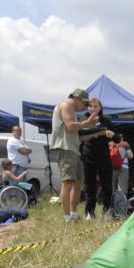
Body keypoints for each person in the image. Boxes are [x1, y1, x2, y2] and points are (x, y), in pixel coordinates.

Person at [50, 88, 99, 222]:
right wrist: (87, 123)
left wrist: (96, 133)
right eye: (84, 103)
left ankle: (73, 214)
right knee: (68, 183)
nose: (84, 107)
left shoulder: (71, 109)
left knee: (77, 183)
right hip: (66, 149)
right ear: (77, 99)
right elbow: (71, 126)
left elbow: (75, 135)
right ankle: (67, 218)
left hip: (73, 150)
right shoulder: (66, 105)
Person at [79, 97, 115, 220]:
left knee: (106, 185)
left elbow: (118, 139)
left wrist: (112, 135)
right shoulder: (83, 119)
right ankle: (89, 212)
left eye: (95, 106)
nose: (93, 109)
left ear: (100, 108)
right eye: (90, 106)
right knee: (89, 185)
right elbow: (78, 135)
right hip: (88, 156)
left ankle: (107, 211)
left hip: (104, 156)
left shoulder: (106, 120)